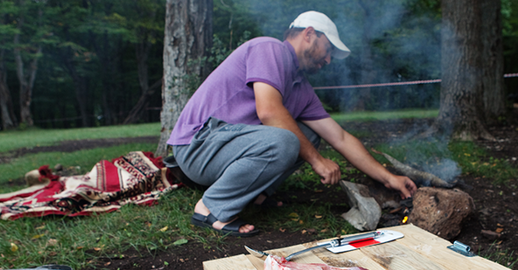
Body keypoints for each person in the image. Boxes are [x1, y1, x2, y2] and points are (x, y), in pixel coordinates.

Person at [167, 11, 417, 237]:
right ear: (309, 34)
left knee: (308, 135)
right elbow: (269, 111)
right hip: (198, 147)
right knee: (287, 138)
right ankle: (210, 209)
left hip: (226, 149)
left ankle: (256, 195)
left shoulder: (301, 88)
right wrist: (318, 161)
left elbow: (339, 137)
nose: (329, 60)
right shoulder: (269, 49)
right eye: (328, 49)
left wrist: (389, 178)